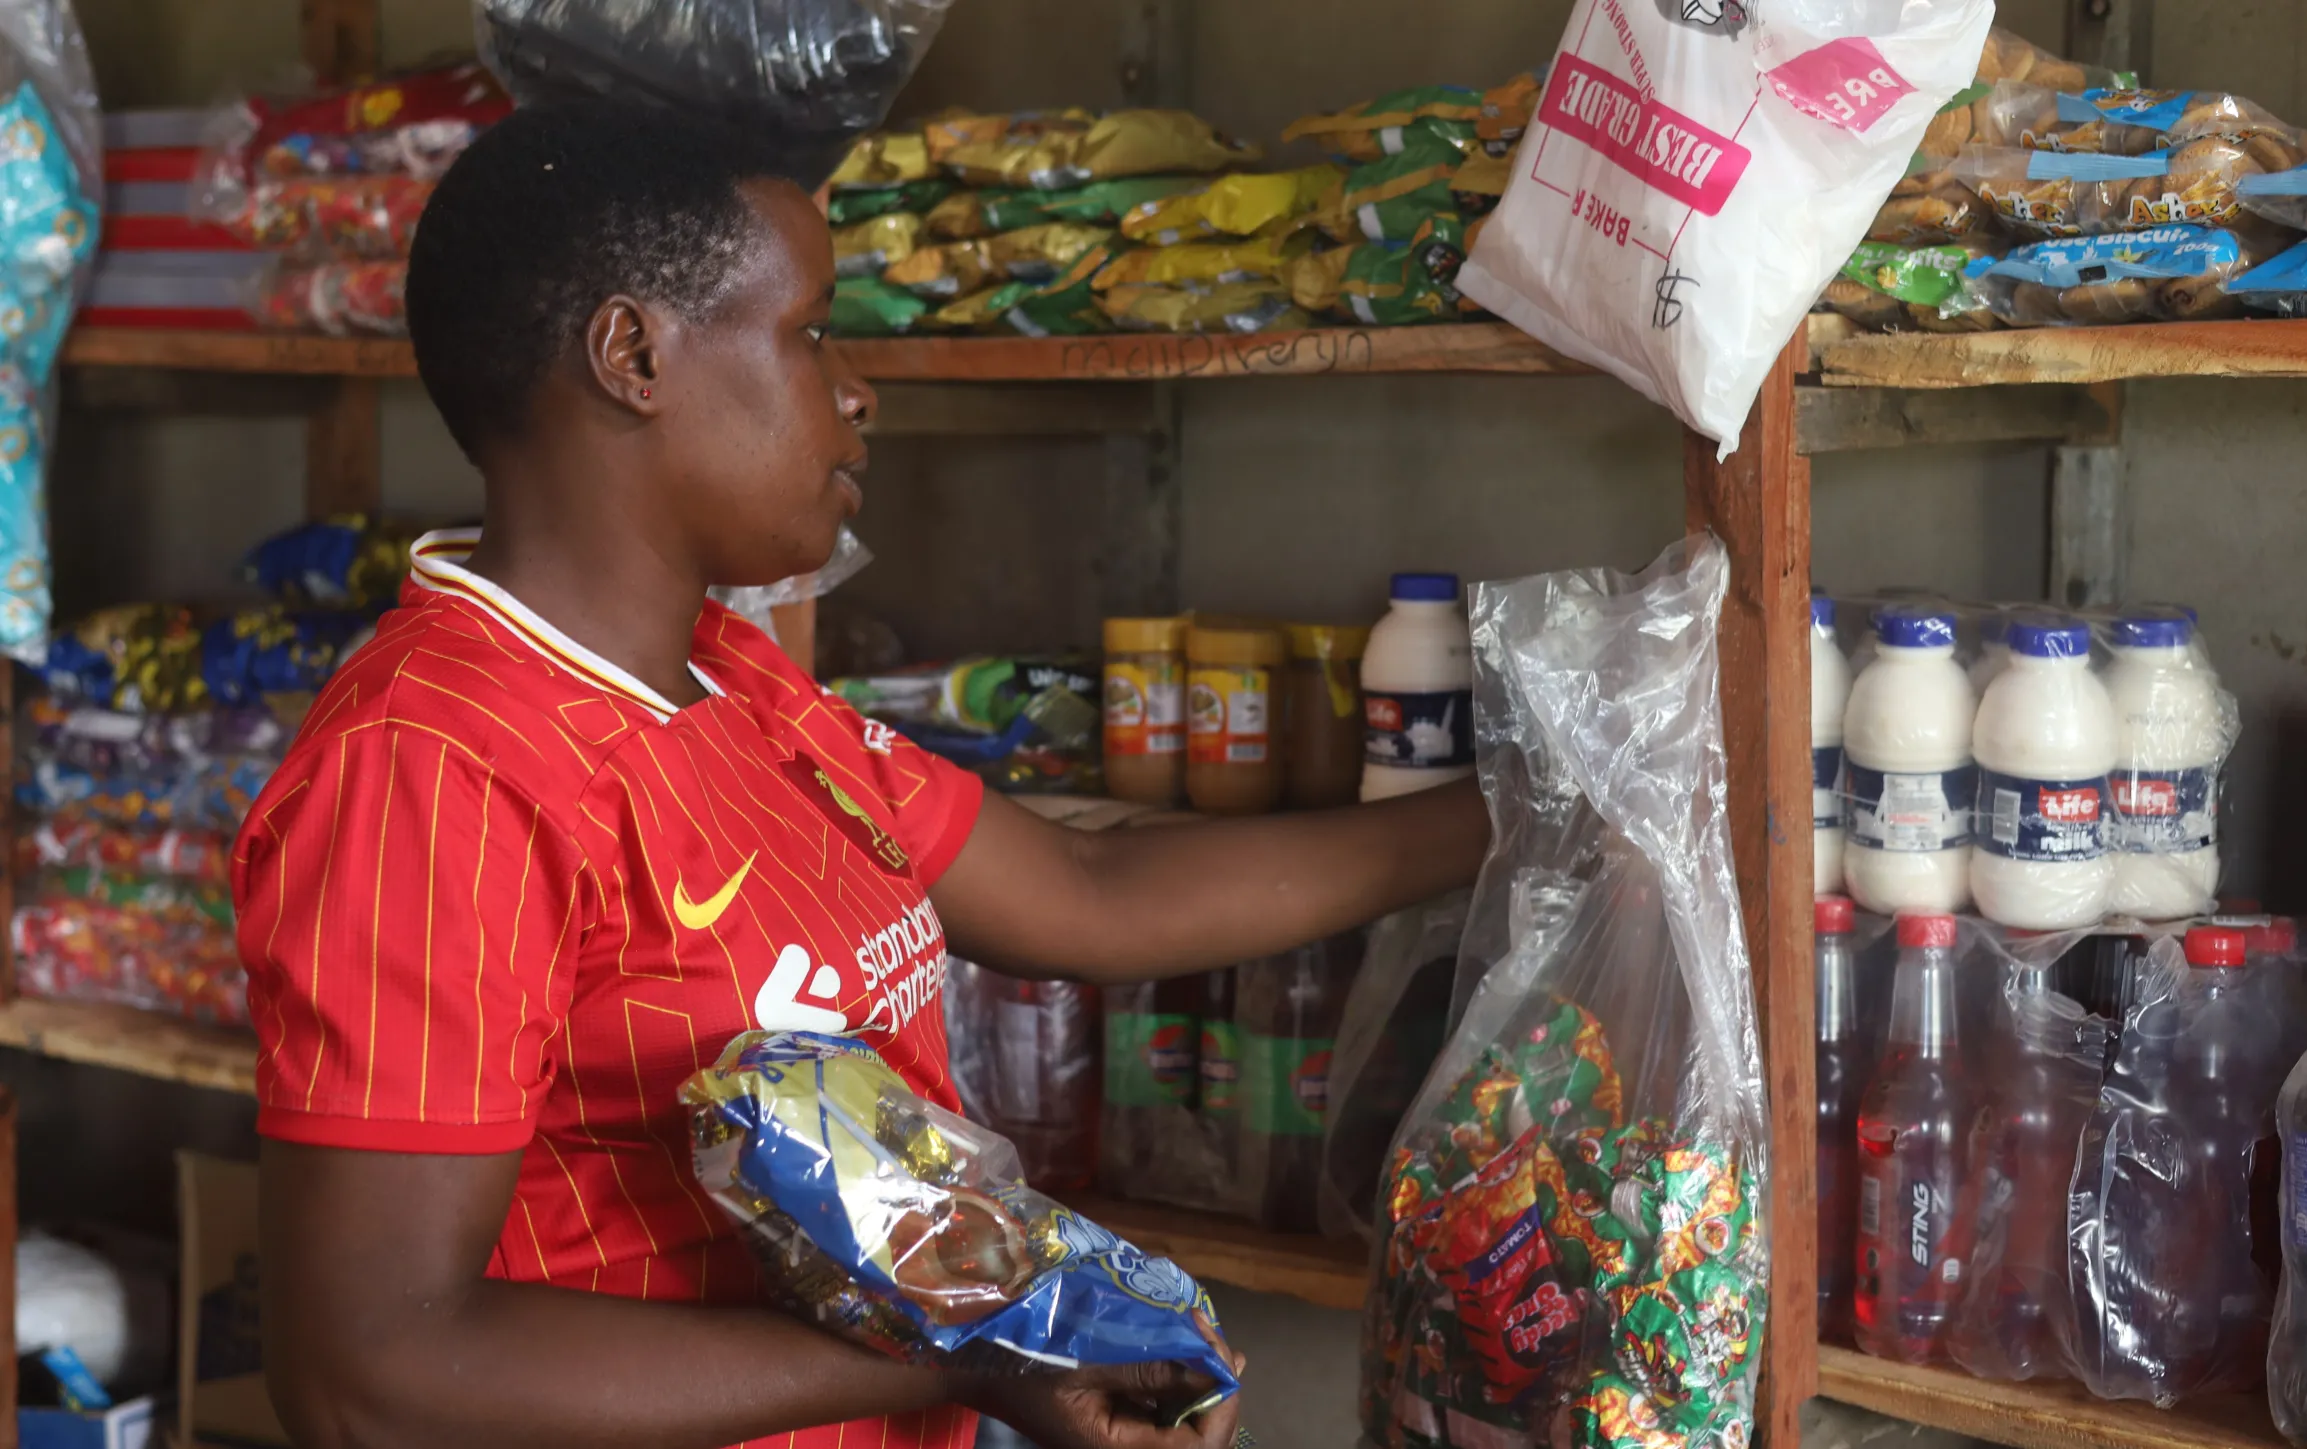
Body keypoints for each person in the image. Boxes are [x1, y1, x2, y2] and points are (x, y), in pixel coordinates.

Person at [231, 100, 1489, 1449]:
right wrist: (963, 1360)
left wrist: (1514, 818)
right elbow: (373, 1376)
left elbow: (1084, 889)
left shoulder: (725, 677)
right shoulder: (437, 771)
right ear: (632, 355)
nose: (855, 388)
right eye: (809, 330)